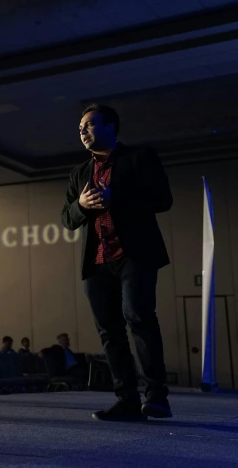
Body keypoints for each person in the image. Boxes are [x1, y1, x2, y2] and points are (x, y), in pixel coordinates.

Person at [62, 103, 173, 421]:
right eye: (80, 127)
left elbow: (163, 200)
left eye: (90, 124)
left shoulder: (140, 158)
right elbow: (67, 219)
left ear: (111, 127)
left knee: (137, 315)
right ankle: (126, 400)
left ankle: (157, 397)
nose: (82, 130)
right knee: (109, 331)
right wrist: (81, 205)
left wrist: (117, 197)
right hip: (96, 262)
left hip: (134, 254)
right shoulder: (79, 174)